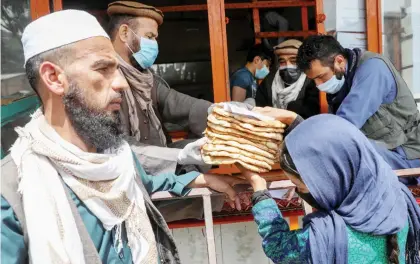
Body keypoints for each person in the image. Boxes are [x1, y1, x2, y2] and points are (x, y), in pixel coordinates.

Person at [0, 10, 243, 263]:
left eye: (117, 68)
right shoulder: (13, 194)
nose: (121, 83)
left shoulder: (117, 158)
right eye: (103, 69)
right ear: (54, 78)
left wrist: (200, 178)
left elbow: (147, 181)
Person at [106, 1, 253, 221]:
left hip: (158, 168)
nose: (155, 44)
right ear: (125, 33)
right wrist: (179, 157)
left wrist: (225, 114)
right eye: (150, 36)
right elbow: (119, 151)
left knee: (199, 147)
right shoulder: (103, 81)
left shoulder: (148, 80)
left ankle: (213, 194)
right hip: (126, 179)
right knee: (189, 163)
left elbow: (181, 105)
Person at [239, 113, 420, 264]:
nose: (299, 192)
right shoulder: (397, 196)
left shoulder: (326, 234)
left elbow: (278, 247)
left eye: (299, 185)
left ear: (329, 180)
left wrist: (259, 189)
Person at [296, 35, 420, 185]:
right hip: (376, 152)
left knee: (340, 150)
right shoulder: (342, 83)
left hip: (401, 158)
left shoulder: (373, 68)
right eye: (314, 80)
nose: (319, 84)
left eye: (322, 76)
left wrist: (296, 126)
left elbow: (344, 127)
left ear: (339, 61)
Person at [270, 39, 319, 119]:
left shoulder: (311, 82)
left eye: (293, 61)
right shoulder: (270, 81)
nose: (288, 65)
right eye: (282, 62)